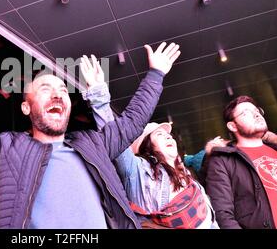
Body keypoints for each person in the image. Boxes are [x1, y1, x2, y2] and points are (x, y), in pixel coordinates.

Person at [0, 10, 180, 229]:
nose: (57, 95)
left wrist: (155, 75)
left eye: (63, 90)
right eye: (45, 89)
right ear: (26, 108)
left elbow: (131, 122)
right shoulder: (5, 151)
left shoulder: (94, 143)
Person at [80, 57, 218, 229]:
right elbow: (115, 135)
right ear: (147, 146)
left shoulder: (189, 177)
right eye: (159, 134)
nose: (169, 137)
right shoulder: (136, 172)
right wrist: (98, 92)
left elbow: (211, 220)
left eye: (170, 135)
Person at [205, 96, 277, 229]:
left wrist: (272, 137)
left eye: (257, 111)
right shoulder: (222, 160)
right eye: (246, 113)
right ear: (232, 126)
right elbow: (223, 215)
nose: (256, 114)